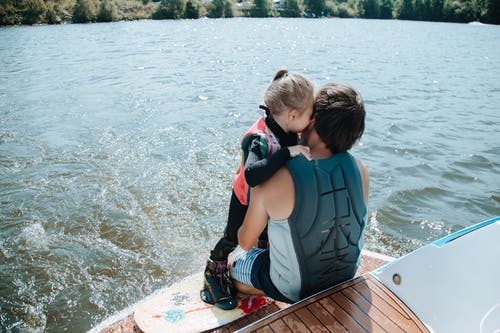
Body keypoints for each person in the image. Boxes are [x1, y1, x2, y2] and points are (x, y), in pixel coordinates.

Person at [228, 82, 369, 304]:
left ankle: (257, 289)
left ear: (312, 121)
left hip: (294, 290)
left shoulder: (276, 179)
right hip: (346, 274)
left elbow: (245, 241)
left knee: (234, 261)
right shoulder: (360, 169)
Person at [201, 69, 315, 309]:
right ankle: (213, 271)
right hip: (246, 197)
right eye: (310, 114)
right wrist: (287, 153)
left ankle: (256, 265)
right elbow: (252, 175)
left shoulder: (292, 130)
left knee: (266, 238)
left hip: (267, 201)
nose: (312, 121)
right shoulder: (261, 138)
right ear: (293, 114)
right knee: (233, 236)